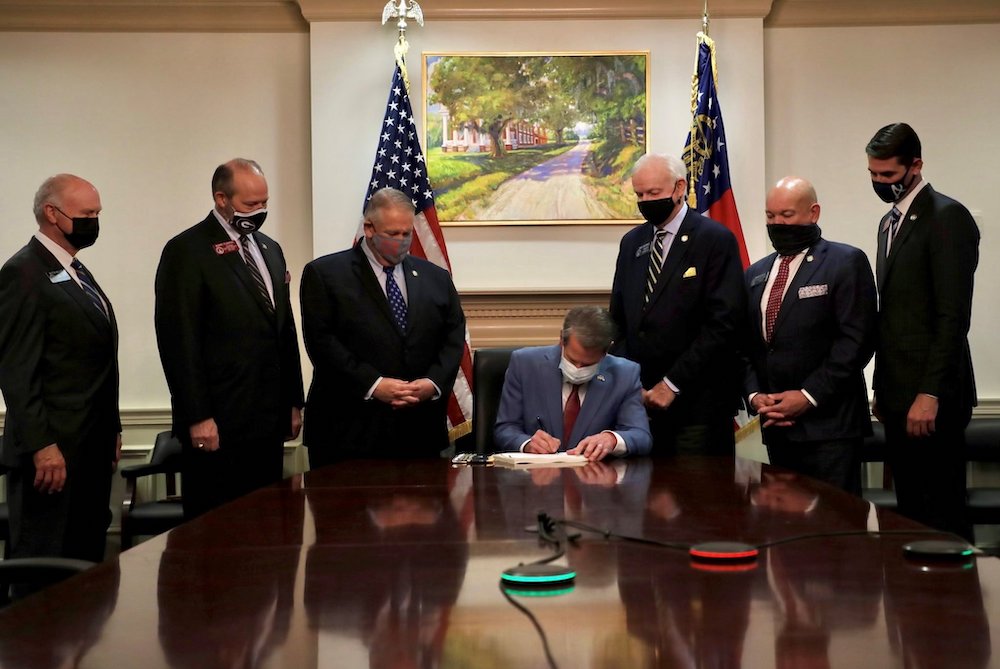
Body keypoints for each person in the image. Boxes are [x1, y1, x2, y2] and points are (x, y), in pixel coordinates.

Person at [154, 158, 304, 519]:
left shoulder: (269, 248)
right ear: (221, 199)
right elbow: (179, 341)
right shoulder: (187, 250)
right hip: (218, 422)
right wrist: (197, 416)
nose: (260, 211)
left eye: (265, 202)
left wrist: (293, 400)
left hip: (267, 421)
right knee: (216, 531)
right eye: (250, 204)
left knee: (266, 527)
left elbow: (284, 329)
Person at [866, 123, 979, 539]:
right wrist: (881, 387)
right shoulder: (888, 222)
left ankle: (955, 603)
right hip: (897, 395)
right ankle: (915, 604)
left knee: (942, 514)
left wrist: (928, 394)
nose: (880, 183)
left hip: (933, 399)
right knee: (910, 515)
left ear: (916, 165)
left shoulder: (947, 216)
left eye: (889, 176)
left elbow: (952, 317)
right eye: (873, 175)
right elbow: (893, 317)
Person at [0, 174, 120, 565]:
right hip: (53, 456)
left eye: (98, 213)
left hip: (90, 448)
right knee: (47, 565)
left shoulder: (76, 271)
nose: (95, 222)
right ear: (52, 213)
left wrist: (113, 427)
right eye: (87, 214)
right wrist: (42, 446)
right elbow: (17, 370)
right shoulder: (23, 272)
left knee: (86, 568)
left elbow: (95, 359)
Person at [299, 187, 465, 466]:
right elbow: (322, 343)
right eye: (392, 234)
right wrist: (374, 385)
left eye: (407, 233)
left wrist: (432, 383)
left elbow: (453, 336)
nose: (401, 241)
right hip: (348, 433)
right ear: (369, 228)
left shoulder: (434, 277)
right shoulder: (325, 275)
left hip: (417, 432)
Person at [743, 176, 877, 493]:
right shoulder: (756, 273)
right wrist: (755, 396)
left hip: (831, 429)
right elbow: (745, 345)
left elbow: (857, 342)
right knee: (787, 530)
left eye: (787, 215)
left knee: (835, 530)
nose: (777, 223)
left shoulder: (845, 262)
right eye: (770, 216)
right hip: (777, 426)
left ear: (813, 213)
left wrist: (807, 396)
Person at [609, 153, 746, 455]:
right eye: (639, 194)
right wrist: (632, 384)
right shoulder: (632, 243)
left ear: (679, 187)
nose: (645, 201)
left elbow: (722, 324)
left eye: (653, 193)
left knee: (697, 498)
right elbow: (618, 322)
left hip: (698, 406)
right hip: (640, 407)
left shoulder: (715, 239)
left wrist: (670, 384)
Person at [493, 306, 652, 460]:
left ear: (607, 350)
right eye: (573, 360)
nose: (578, 369)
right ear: (562, 339)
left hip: (594, 480)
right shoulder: (524, 364)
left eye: (588, 364)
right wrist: (527, 444)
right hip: (537, 479)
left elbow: (641, 435)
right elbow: (505, 429)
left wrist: (611, 439)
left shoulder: (625, 374)